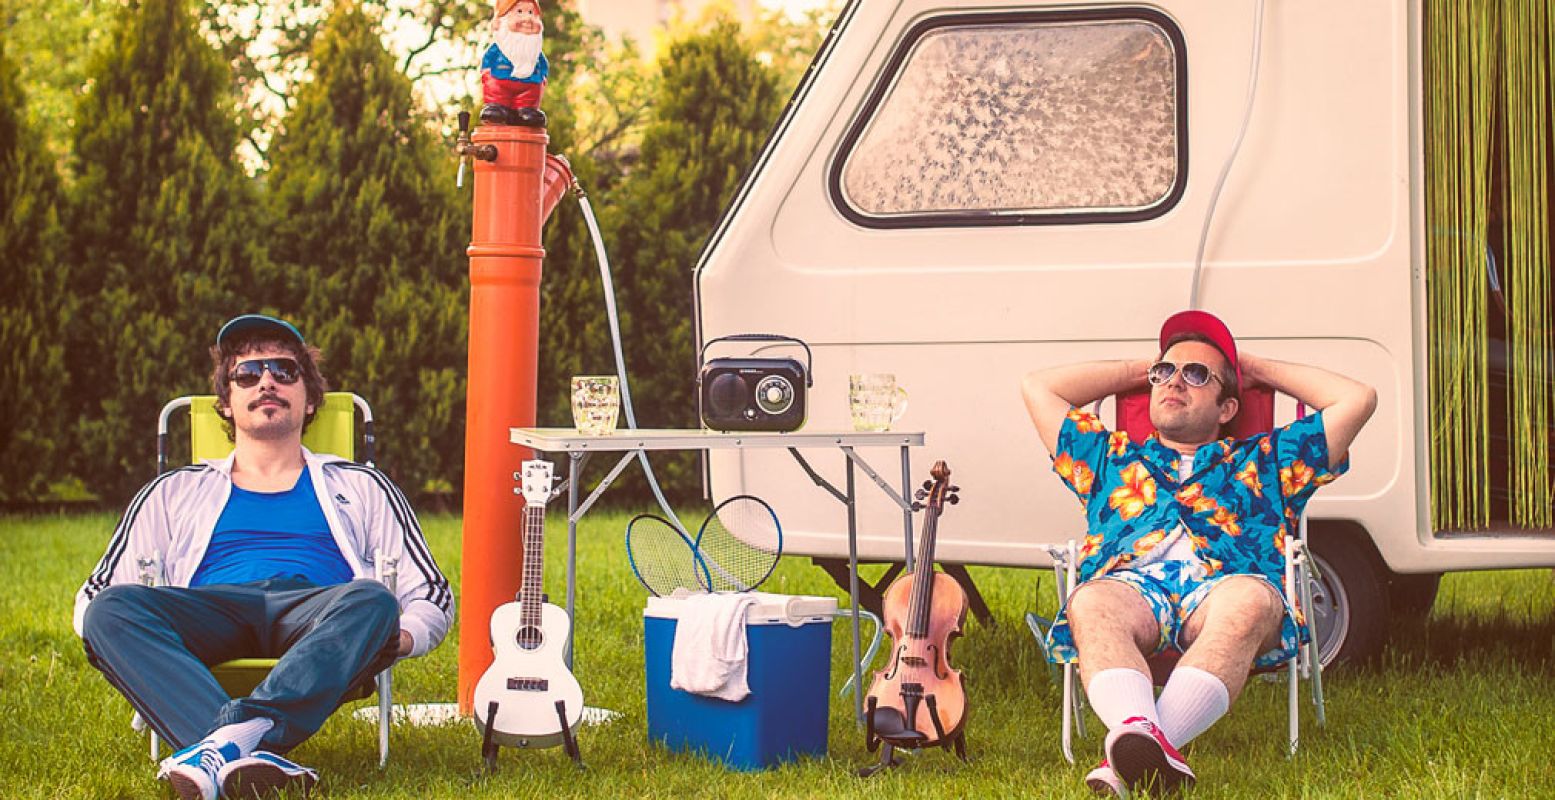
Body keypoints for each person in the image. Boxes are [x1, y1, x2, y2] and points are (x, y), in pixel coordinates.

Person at [74, 314, 454, 800]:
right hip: (212, 609)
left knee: (373, 602)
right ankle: (246, 748)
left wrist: (399, 637)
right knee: (110, 612)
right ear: (227, 405)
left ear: (310, 398)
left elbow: (431, 595)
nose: (267, 381)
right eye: (247, 374)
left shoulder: (360, 486)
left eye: (284, 371)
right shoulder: (173, 491)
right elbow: (92, 600)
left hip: (317, 611)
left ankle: (216, 750)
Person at [1020, 310, 1376, 796]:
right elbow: (1037, 387)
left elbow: (1358, 399)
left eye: (1196, 375)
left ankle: (1138, 744)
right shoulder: (1112, 456)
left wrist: (1253, 367)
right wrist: (1140, 368)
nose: (1174, 383)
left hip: (1228, 587)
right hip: (1131, 586)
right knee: (1090, 602)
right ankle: (1149, 745)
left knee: (1249, 603)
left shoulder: (1267, 460)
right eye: (1164, 373)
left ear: (1228, 407)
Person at [479, 0, 548, 128]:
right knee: (496, 105)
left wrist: (543, 76)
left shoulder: (535, 53)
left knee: (529, 106)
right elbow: (487, 62)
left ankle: (526, 110)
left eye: (531, 13)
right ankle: (497, 108)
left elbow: (543, 66)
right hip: (499, 83)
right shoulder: (499, 48)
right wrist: (486, 72)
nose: (527, 19)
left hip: (529, 86)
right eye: (520, 12)